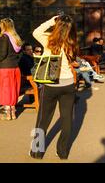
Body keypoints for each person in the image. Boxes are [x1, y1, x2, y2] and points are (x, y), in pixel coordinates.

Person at [30, 15, 78, 160]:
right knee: (67, 119)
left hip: (50, 84)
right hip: (68, 84)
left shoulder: (49, 40)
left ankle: (37, 152)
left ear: (57, 26)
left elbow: (36, 32)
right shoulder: (72, 42)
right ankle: (62, 152)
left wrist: (52, 20)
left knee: (42, 119)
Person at [0, 18, 23, 121]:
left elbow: (1, 53)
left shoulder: (4, 37)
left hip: (4, 68)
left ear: (4, 26)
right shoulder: (16, 38)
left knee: (5, 90)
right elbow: (20, 54)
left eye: (0, 24)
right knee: (13, 89)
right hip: (15, 67)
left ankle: (8, 114)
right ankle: (13, 113)